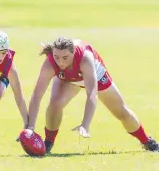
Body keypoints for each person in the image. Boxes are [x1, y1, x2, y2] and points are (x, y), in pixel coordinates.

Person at [27, 37, 159, 153]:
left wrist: (85, 124)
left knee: (121, 112)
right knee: (55, 104)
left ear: (73, 53)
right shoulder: (50, 62)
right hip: (68, 78)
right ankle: (48, 143)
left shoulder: (85, 58)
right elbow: (37, 95)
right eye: (57, 57)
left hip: (96, 75)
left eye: (65, 58)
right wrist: (30, 127)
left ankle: (147, 141)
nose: (60, 62)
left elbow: (91, 94)